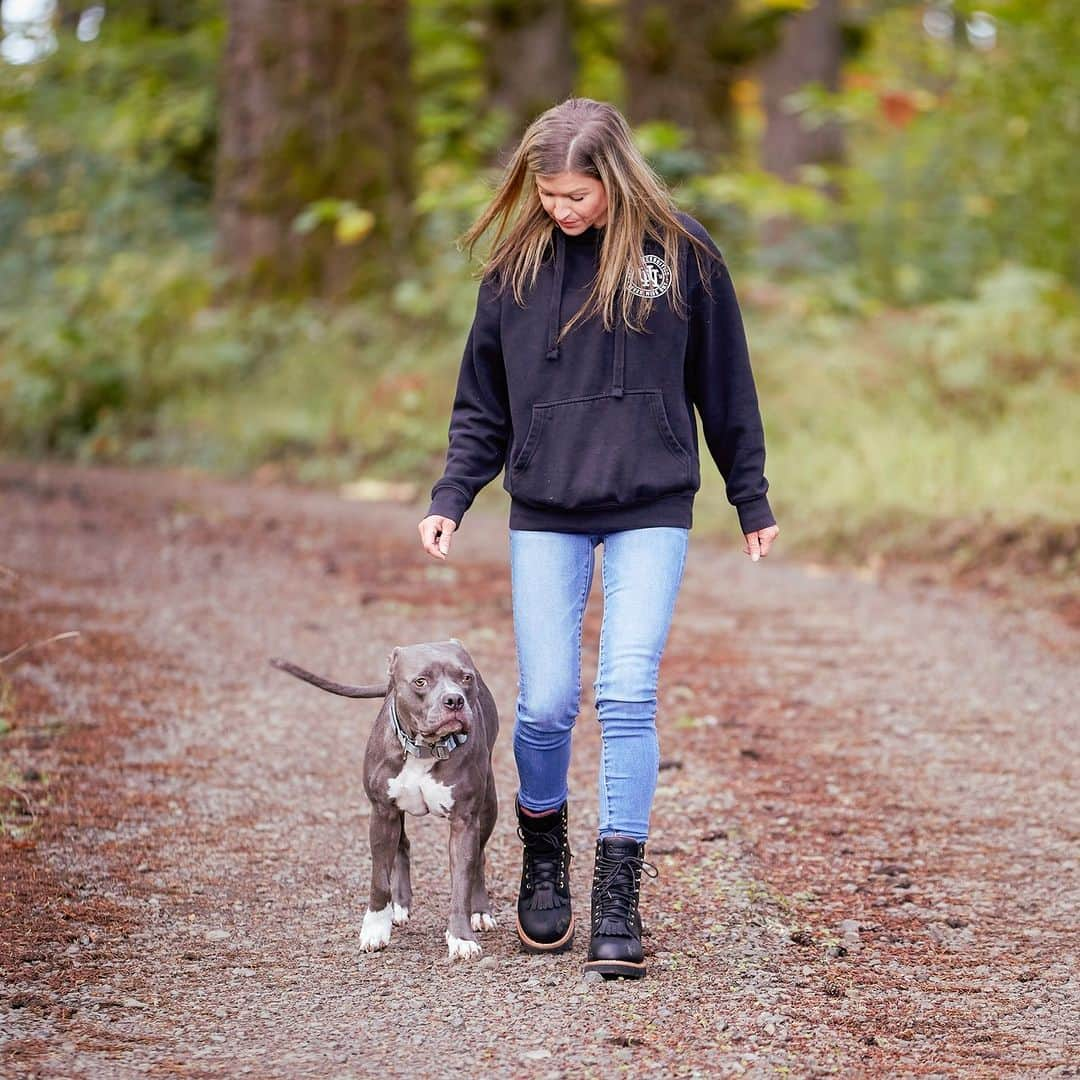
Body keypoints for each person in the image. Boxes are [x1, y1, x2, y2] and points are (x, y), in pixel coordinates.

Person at [417, 97, 779, 979]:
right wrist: (454, 493)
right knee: (543, 704)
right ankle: (546, 854)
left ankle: (619, 892)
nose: (561, 210)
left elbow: (724, 384)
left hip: (653, 501)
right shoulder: (514, 272)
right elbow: (482, 404)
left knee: (625, 691)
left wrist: (750, 495)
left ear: (613, 177)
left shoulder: (683, 258)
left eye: (576, 194)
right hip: (546, 508)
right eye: (547, 193)